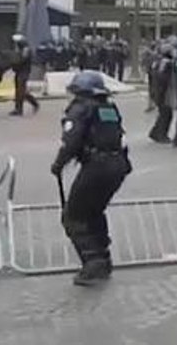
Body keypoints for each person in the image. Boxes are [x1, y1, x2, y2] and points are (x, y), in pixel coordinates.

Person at [49, 70, 132, 286]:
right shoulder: (109, 108)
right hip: (117, 165)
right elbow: (120, 136)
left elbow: (72, 141)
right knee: (94, 212)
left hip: (97, 166)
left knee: (73, 216)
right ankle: (103, 258)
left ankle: (93, 262)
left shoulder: (81, 108)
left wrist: (58, 164)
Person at [147, 43, 174, 143]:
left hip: (156, 90)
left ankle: (155, 132)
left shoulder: (157, 61)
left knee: (163, 113)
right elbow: (163, 78)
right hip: (163, 92)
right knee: (166, 114)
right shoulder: (166, 63)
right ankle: (162, 135)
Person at [8, 33, 41, 116]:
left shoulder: (26, 50)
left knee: (21, 90)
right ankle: (18, 108)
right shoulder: (20, 50)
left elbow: (22, 60)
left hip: (24, 72)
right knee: (18, 90)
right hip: (19, 71)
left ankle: (33, 104)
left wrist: (13, 62)